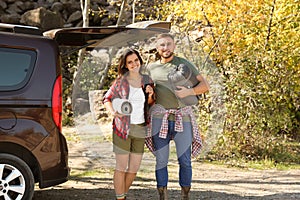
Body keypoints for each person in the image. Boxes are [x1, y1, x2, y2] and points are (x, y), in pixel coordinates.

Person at [145, 33, 209, 200]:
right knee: (161, 160)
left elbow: (205, 85)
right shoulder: (150, 68)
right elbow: (146, 97)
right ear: (157, 48)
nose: (165, 48)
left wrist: (190, 91)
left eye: (168, 44)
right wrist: (149, 95)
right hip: (160, 118)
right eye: (162, 45)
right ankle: (162, 195)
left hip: (183, 118)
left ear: (174, 46)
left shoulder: (184, 64)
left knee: (185, 160)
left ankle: (185, 195)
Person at [103, 48, 155, 200]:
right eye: (130, 62)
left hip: (140, 129)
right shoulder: (121, 81)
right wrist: (113, 112)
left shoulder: (146, 80)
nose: (134, 64)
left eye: (136, 61)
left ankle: (121, 195)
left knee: (133, 168)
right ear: (125, 65)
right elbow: (107, 98)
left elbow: (150, 104)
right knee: (121, 167)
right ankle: (121, 197)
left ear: (140, 61)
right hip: (123, 128)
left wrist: (151, 94)